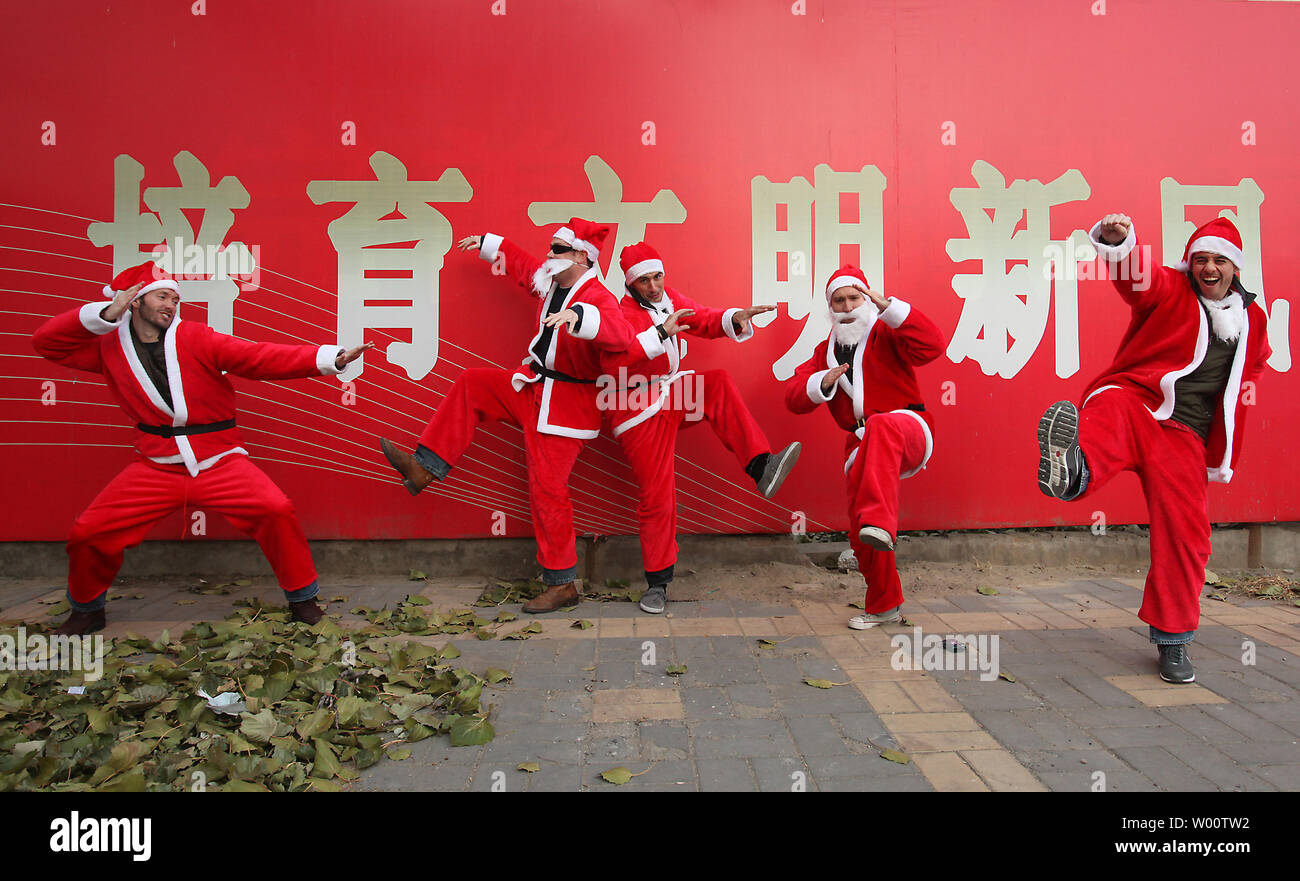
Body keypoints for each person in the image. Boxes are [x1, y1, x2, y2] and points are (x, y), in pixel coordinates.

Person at [32, 261, 371, 635]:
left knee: (276, 510)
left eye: (175, 299)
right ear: (134, 302)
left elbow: (257, 357)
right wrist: (103, 315)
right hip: (154, 466)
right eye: (162, 296)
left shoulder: (196, 338)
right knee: (88, 532)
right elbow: (47, 343)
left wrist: (326, 359)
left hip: (219, 459)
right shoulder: (108, 348)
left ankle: (303, 600)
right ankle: (86, 610)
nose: (171, 305)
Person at [1037, 214, 1272, 683]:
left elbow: (1252, 370)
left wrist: (1221, 434)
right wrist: (1118, 241)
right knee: (1109, 414)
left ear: (1235, 269)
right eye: (1200, 258)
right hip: (1139, 402)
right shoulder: (1169, 288)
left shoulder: (1253, 319)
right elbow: (1137, 280)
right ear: (1190, 264)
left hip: (1184, 434)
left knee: (1188, 534)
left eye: (1219, 260)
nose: (1208, 267)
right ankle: (1073, 470)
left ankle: (1173, 640)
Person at [379, 218, 634, 613]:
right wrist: (488, 243)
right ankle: (423, 467)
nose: (548, 256)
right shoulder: (552, 282)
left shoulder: (598, 297)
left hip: (566, 406)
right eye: (550, 249)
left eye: (557, 250)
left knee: (548, 492)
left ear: (583, 257)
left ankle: (563, 584)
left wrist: (579, 320)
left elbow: (620, 336)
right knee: (473, 384)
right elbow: (522, 267)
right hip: (532, 388)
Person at [600, 242, 803, 614]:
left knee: (717, 384)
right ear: (630, 283)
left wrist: (736, 317)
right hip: (635, 410)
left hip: (671, 394)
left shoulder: (667, 298)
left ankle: (761, 466)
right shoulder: (619, 312)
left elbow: (703, 319)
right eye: (644, 280)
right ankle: (658, 583)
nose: (654, 286)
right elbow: (613, 365)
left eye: (658, 276)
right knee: (658, 495)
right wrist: (660, 332)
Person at [785, 265, 944, 630]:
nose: (847, 306)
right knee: (861, 534)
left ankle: (880, 520)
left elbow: (933, 344)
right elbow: (793, 399)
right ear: (830, 308)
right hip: (862, 445)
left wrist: (891, 308)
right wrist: (819, 382)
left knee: (882, 424)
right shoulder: (822, 353)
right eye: (839, 301)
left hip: (908, 428)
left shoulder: (888, 332)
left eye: (854, 297)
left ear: (867, 299)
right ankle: (884, 605)